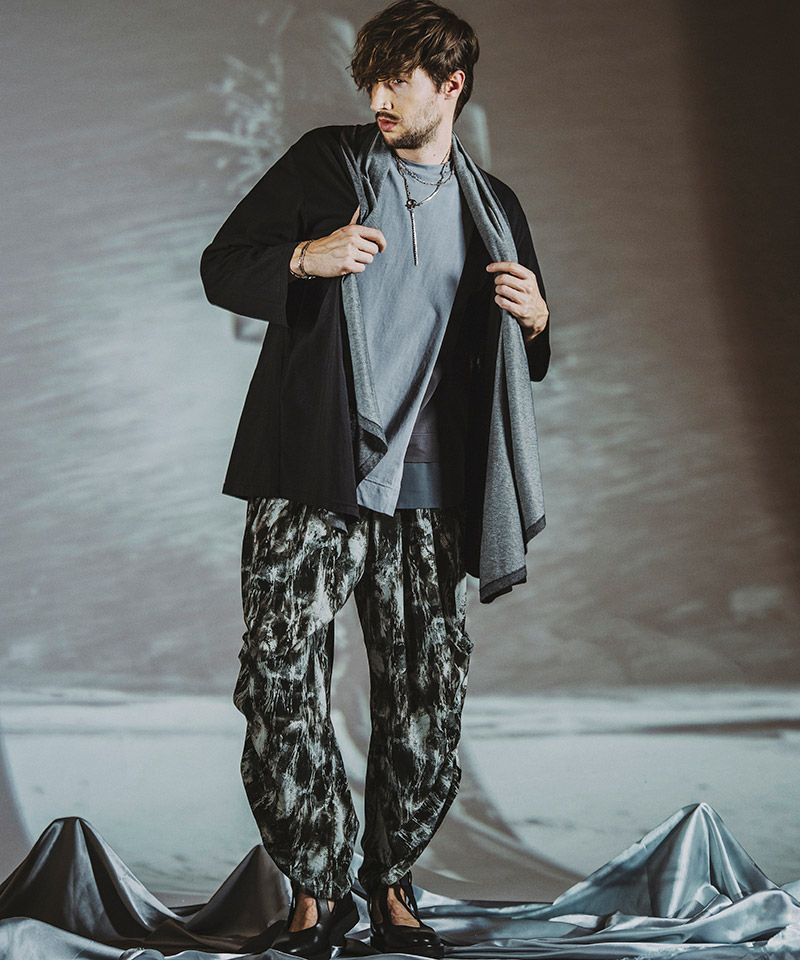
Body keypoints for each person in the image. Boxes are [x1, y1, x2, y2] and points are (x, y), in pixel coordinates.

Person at [199, 1, 550, 957]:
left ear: (452, 86)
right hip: (312, 473)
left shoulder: (493, 205)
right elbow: (223, 266)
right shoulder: (327, 163)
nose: (379, 98)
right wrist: (303, 258)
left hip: (430, 491)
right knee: (280, 675)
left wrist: (537, 321)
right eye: (372, 80)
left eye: (399, 80)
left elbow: (523, 354)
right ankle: (314, 891)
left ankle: (392, 885)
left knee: (427, 693)